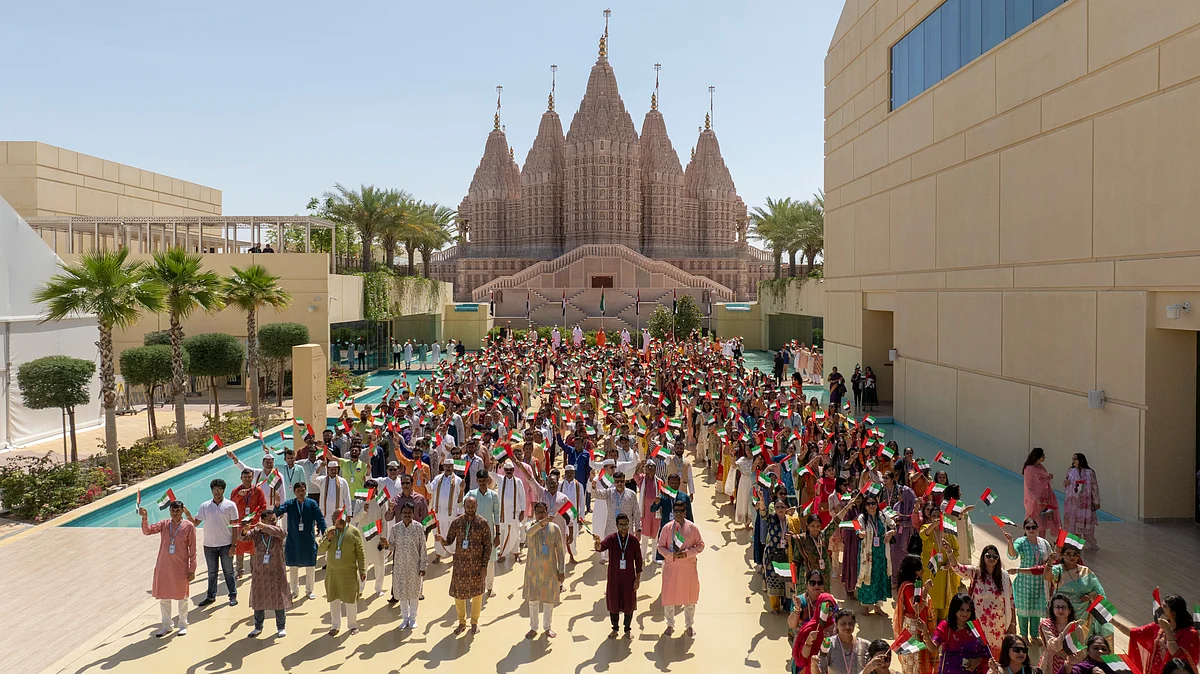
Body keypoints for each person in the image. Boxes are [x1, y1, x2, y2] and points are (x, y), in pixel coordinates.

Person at [1008, 544, 1111, 640]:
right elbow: (1047, 577)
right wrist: (1050, 562)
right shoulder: (1058, 570)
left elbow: (1097, 591)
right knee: (1063, 642)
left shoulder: (1086, 572)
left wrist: (1090, 595)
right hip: (1063, 613)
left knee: (1083, 642)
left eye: (1074, 554)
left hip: (1083, 614)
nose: (1072, 557)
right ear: (1062, 555)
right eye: (1068, 554)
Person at [946, 542, 1014, 658]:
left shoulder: (1004, 577)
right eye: (988, 556)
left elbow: (1012, 602)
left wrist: (1012, 624)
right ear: (983, 557)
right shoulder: (975, 573)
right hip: (977, 623)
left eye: (995, 557)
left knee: (996, 657)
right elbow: (957, 567)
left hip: (998, 626)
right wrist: (949, 551)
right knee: (977, 654)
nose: (991, 559)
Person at [140, 501, 197, 638]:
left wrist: (192, 568)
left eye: (177, 511)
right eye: (172, 511)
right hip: (164, 567)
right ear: (170, 511)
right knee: (164, 598)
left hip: (180, 567)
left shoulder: (189, 526)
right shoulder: (165, 524)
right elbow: (147, 531)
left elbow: (193, 549)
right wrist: (145, 518)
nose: (175, 513)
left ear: (182, 511)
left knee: (182, 597)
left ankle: (183, 625)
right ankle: (167, 625)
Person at [440, 495, 494, 634]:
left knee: (477, 594)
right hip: (460, 565)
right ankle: (461, 622)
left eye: (473, 506)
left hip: (477, 565)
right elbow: (449, 540)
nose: (470, 509)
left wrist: (484, 566)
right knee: (459, 594)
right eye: (468, 506)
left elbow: (488, 546)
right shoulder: (457, 522)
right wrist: (441, 540)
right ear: (464, 506)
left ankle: (474, 622)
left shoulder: (483, 523)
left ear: (477, 506)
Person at [188, 478, 240, 607]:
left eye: (219, 489)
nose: (217, 492)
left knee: (229, 572)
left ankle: (232, 596)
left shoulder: (230, 505)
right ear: (211, 491)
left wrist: (233, 545)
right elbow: (195, 523)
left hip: (226, 544)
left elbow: (235, 526)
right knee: (212, 572)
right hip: (209, 545)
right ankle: (210, 596)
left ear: (223, 490)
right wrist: (187, 513)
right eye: (215, 489)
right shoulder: (205, 506)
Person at [239, 509, 291, 638]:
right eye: (270, 520)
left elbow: (282, 533)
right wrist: (245, 529)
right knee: (259, 599)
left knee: (278, 599)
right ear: (262, 520)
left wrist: (265, 527)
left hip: (276, 570)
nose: (273, 522)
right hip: (260, 571)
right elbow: (243, 538)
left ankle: (281, 627)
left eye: (274, 520)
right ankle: (258, 627)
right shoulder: (257, 532)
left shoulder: (277, 530)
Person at [656, 500, 705, 636]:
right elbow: (660, 547)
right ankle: (670, 624)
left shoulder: (693, 528)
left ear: (685, 512)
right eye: (676, 511)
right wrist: (671, 555)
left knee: (689, 598)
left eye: (681, 511)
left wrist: (687, 554)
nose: (678, 514)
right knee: (669, 597)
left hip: (688, 569)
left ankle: (689, 625)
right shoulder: (667, 528)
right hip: (671, 568)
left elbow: (700, 545)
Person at [1004, 518, 1053, 642]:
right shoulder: (1021, 541)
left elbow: (1050, 559)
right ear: (1024, 529)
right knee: (1024, 608)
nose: (1031, 530)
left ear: (1037, 528)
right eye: (1028, 528)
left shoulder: (1044, 543)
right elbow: (1013, 554)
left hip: (1039, 581)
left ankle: (1035, 635)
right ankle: (1024, 635)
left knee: (1037, 608)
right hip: (1024, 581)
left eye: (1033, 527)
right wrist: (1010, 542)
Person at [318, 509, 366, 636]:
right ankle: (335, 626)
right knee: (334, 600)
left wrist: (362, 570)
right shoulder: (330, 531)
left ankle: (352, 625)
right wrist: (328, 539)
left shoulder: (354, 532)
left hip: (349, 574)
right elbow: (320, 549)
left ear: (346, 518)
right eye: (335, 518)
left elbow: (360, 553)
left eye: (339, 517)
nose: (337, 520)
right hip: (332, 574)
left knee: (350, 600)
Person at [523, 501, 567, 639]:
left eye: (543, 512)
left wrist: (561, 571)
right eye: (538, 513)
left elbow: (560, 551)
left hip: (550, 570)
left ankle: (547, 627)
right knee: (533, 600)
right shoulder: (530, 525)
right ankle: (533, 627)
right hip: (533, 570)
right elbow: (529, 533)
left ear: (547, 512)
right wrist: (542, 523)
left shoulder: (554, 528)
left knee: (549, 600)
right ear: (535, 514)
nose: (541, 515)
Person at [595, 512, 643, 637]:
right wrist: (597, 542)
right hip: (614, 578)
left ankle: (627, 629)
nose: (624, 527)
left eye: (626, 524)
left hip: (629, 579)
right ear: (616, 525)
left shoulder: (633, 541)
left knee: (629, 604)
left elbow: (639, 562)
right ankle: (615, 628)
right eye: (621, 525)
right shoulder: (611, 539)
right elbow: (600, 547)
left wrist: (637, 580)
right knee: (613, 604)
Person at [274, 482, 325, 599]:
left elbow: (320, 519)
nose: (301, 493)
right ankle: (294, 591)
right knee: (293, 567)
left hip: (308, 540)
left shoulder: (312, 503)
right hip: (293, 540)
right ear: (294, 492)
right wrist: (277, 505)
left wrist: (325, 532)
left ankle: (309, 590)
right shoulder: (290, 503)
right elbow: (278, 512)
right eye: (298, 491)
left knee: (310, 566)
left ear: (306, 490)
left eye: (303, 490)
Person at [1129, 595, 1199, 674]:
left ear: (1174, 612)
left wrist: (1168, 630)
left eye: (1165, 606)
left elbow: (1175, 653)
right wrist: (1116, 623)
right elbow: (1135, 633)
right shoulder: (1159, 626)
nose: (1161, 609)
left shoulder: (1190, 633)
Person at [386, 503, 428, 630]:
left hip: (414, 566)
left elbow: (423, 548)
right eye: (405, 513)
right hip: (400, 566)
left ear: (413, 514)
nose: (407, 515)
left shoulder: (418, 528)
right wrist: (385, 545)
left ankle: (413, 618)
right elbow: (392, 546)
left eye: (409, 513)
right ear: (401, 514)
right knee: (402, 593)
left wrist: (423, 566)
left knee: (414, 593)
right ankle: (405, 618)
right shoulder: (395, 528)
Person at [893, 555, 936, 674]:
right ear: (913, 570)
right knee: (913, 658)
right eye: (920, 567)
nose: (923, 569)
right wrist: (926, 590)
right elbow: (917, 608)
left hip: (915, 624)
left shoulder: (912, 584)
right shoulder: (909, 587)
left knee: (916, 656)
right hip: (912, 626)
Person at [919, 499, 960, 623]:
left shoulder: (947, 532)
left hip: (944, 571)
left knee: (944, 599)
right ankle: (930, 622)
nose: (937, 518)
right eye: (934, 516)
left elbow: (956, 549)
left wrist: (949, 563)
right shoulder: (926, 527)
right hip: (931, 570)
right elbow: (923, 535)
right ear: (930, 517)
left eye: (938, 516)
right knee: (931, 597)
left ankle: (942, 622)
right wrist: (933, 525)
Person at [855, 495, 896, 614]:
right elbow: (857, 528)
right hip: (867, 554)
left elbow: (894, 525)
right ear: (865, 506)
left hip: (881, 553)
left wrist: (890, 533)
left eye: (873, 503)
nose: (871, 506)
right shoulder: (862, 518)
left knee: (879, 577)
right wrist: (860, 533)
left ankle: (878, 606)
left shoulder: (882, 516)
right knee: (867, 577)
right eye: (868, 504)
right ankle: (865, 606)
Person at [934, 593, 992, 674]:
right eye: (961, 609)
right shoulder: (946, 626)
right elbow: (933, 648)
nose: (965, 614)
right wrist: (925, 633)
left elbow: (987, 652)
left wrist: (978, 660)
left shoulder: (974, 628)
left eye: (968, 610)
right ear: (954, 609)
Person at [466, 470, 501, 597]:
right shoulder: (471, 494)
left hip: (489, 533)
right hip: (473, 533)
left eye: (484, 480)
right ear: (477, 480)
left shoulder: (493, 495)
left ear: (488, 480)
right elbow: (460, 505)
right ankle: (475, 586)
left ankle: (489, 587)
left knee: (490, 561)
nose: (482, 483)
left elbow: (496, 515)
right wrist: (461, 490)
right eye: (479, 481)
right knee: (473, 560)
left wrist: (498, 535)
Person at [230, 468, 267, 577]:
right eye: (245, 477)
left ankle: (253, 570)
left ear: (252, 478)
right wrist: (239, 496)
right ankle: (239, 571)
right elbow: (230, 506)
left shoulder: (258, 491)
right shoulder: (235, 491)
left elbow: (263, 506)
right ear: (241, 478)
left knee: (253, 548)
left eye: (249, 477)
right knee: (239, 548)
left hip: (252, 523)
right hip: (240, 523)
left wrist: (255, 517)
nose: (247, 479)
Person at [793, 591, 839, 674]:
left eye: (831, 608)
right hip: (812, 668)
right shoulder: (809, 628)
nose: (827, 611)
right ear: (818, 606)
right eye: (824, 607)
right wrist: (809, 641)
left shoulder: (838, 627)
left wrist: (831, 640)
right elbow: (804, 656)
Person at [1061, 454, 1100, 551]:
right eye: (1073, 459)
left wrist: (1096, 501)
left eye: (1075, 459)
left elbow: (1094, 487)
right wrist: (1066, 483)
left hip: (1086, 503)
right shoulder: (1071, 471)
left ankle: (1090, 544)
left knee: (1086, 524)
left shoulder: (1090, 473)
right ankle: (1074, 544)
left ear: (1081, 460)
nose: (1073, 461)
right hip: (1072, 503)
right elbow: (1066, 482)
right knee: (1073, 524)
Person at [429, 458, 464, 561]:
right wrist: (426, 481)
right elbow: (430, 489)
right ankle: (438, 555)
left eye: (450, 466)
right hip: (438, 514)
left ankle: (454, 553)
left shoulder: (458, 480)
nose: (448, 468)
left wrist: (460, 513)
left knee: (452, 535)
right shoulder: (437, 478)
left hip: (451, 514)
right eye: (446, 466)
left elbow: (460, 498)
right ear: (443, 467)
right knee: (437, 534)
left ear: (453, 467)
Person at [1022, 448, 1060, 541]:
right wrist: (1035, 498)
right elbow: (1029, 486)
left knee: (1043, 522)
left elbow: (1044, 479)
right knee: (1034, 522)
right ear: (1037, 457)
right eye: (1043, 456)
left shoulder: (1040, 467)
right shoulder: (1029, 470)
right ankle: (1031, 541)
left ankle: (1042, 541)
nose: (1044, 458)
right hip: (1035, 501)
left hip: (1044, 500)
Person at [818, 609, 870, 674]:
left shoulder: (865, 645)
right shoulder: (829, 644)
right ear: (836, 625)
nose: (847, 627)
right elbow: (821, 669)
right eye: (843, 624)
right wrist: (814, 665)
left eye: (850, 623)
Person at [1037, 593, 1079, 674]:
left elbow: (1081, 650)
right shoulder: (1046, 625)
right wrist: (1066, 630)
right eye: (1057, 607)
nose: (1060, 610)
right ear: (1052, 609)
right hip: (1051, 664)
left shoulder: (1076, 627)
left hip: (1071, 665)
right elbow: (1056, 646)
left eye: (1064, 607)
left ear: (1069, 610)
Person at [495, 460, 527, 565]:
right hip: (503, 513)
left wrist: (523, 511)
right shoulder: (500, 479)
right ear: (504, 470)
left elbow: (522, 497)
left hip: (515, 513)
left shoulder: (518, 481)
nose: (509, 471)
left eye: (510, 470)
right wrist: (493, 463)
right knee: (503, 533)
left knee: (515, 533)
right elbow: (490, 473)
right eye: (507, 470)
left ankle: (516, 554)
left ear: (513, 470)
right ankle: (503, 554)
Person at [313, 460, 350, 529]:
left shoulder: (343, 481)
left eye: (335, 469)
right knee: (325, 532)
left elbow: (347, 498)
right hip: (325, 513)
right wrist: (320, 467)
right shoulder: (322, 480)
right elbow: (312, 479)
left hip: (338, 513)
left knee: (338, 532)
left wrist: (349, 513)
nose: (333, 471)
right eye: (331, 469)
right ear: (328, 470)